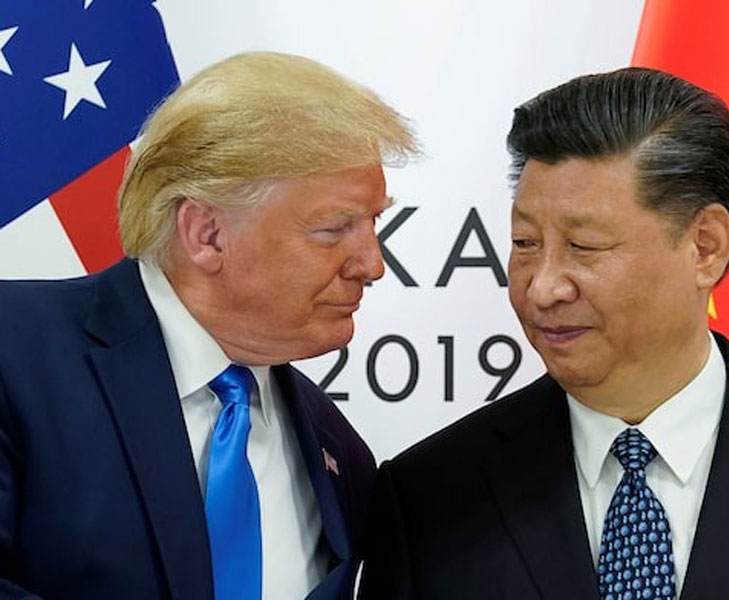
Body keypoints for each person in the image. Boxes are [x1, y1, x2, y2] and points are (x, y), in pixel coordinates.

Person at [359, 68, 729, 599]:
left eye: (584, 246)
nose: (542, 288)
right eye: (525, 243)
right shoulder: (430, 496)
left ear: (705, 246)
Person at [0, 52, 417, 600]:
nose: (372, 263)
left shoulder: (339, 450)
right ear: (207, 234)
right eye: (334, 228)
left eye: (372, 223)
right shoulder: (14, 353)